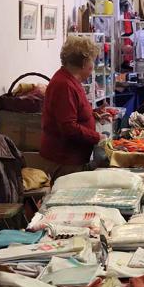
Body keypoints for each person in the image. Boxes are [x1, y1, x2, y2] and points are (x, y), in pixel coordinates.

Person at [40, 35, 102, 180]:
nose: (92, 67)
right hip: (65, 160)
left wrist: (93, 114)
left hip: (73, 158)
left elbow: (73, 111)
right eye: (91, 61)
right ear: (84, 63)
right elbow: (68, 127)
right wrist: (98, 137)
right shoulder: (64, 85)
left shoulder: (71, 80)